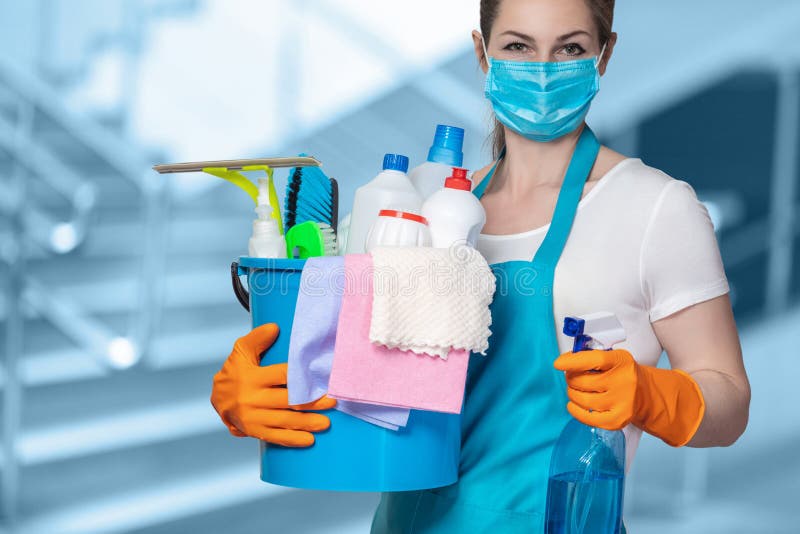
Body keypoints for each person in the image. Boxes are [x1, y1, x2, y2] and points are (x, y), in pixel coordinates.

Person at [211, 0, 751, 531]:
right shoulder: (438, 213)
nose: (541, 71)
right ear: (482, 52)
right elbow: (370, 390)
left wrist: (654, 396)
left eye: (570, 49)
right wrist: (268, 391)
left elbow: (729, 400)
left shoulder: (655, 207)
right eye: (518, 46)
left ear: (604, 55)